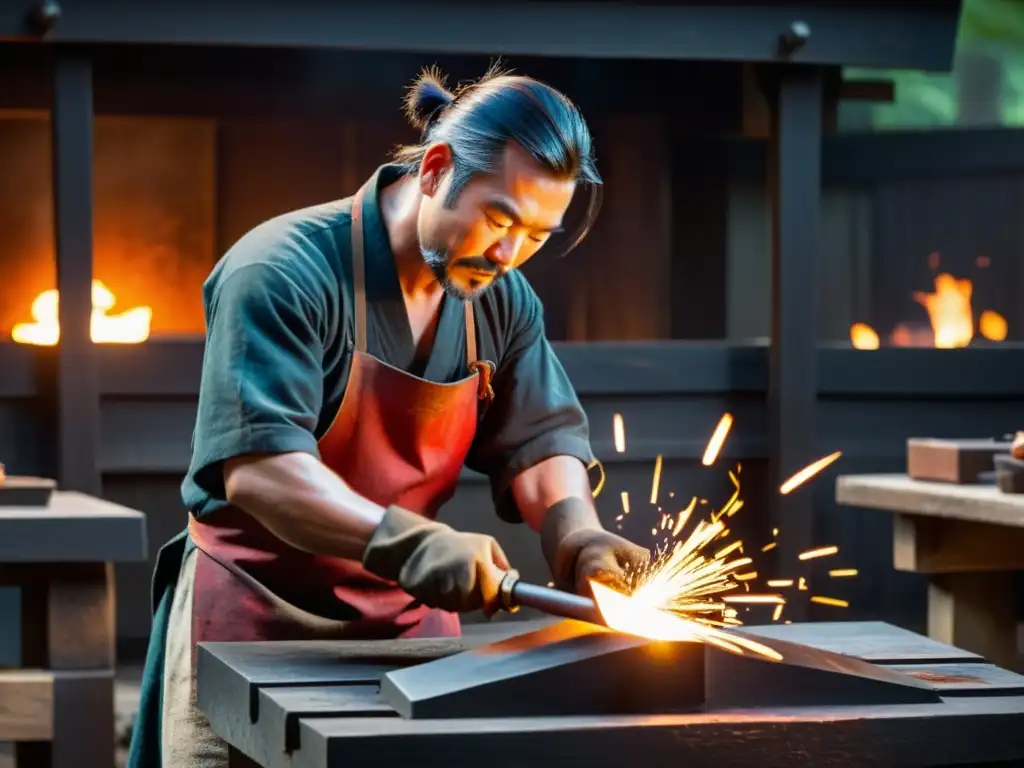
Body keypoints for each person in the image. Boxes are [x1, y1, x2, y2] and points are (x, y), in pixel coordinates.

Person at [127, 64, 650, 768]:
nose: (508, 254)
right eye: (499, 220)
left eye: (536, 234)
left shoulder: (502, 298)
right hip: (251, 618)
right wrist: (413, 547)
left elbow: (539, 441)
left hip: (410, 632)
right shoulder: (280, 271)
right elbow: (262, 472)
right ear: (436, 170)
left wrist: (577, 534)